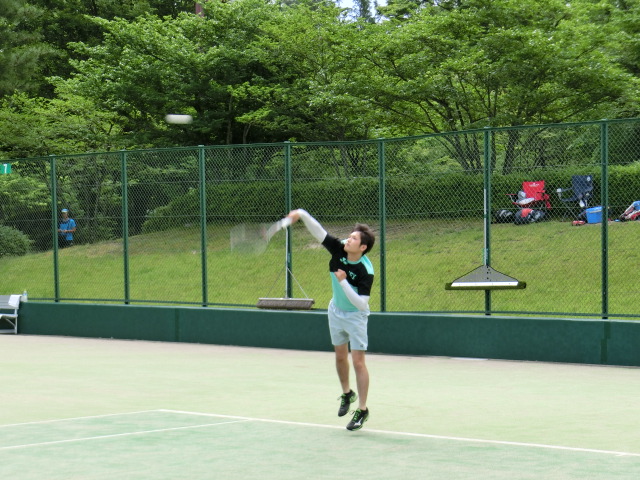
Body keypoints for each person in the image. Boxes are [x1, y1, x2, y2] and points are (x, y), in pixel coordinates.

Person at [287, 208, 375, 431]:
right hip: (335, 311)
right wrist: (302, 214)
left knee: (358, 362)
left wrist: (343, 281)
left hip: (355, 317)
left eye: (354, 238)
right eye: (349, 235)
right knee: (339, 357)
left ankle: (362, 410)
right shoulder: (339, 248)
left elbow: (361, 304)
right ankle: (347, 393)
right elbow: (319, 232)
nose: (348, 239)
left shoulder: (365, 270)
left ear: (362, 248)